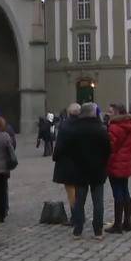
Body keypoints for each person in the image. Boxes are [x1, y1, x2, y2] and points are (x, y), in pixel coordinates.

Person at [55, 103, 111, 240]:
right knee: (98, 202)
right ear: (93, 113)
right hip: (97, 170)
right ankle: (98, 231)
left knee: (79, 201)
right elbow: (108, 150)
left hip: (80, 170)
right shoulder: (101, 129)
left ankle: (78, 230)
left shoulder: (75, 129)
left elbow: (69, 149)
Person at [104, 103, 131, 234]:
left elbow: (111, 146)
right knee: (125, 191)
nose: (108, 113)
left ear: (117, 113)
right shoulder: (130, 124)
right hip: (126, 163)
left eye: (111, 111)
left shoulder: (115, 126)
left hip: (116, 163)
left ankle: (117, 225)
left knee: (118, 193)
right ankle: (127, 222)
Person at [52, 103, 81, 226]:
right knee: (79, 190)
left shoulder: (65, 126)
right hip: (81, 162)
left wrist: (55, 157)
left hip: (67, 163)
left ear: (69, 113)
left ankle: (76, 217)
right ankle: (80, 214)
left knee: (71, 191)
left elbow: (59, 146)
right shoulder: (83, 125)